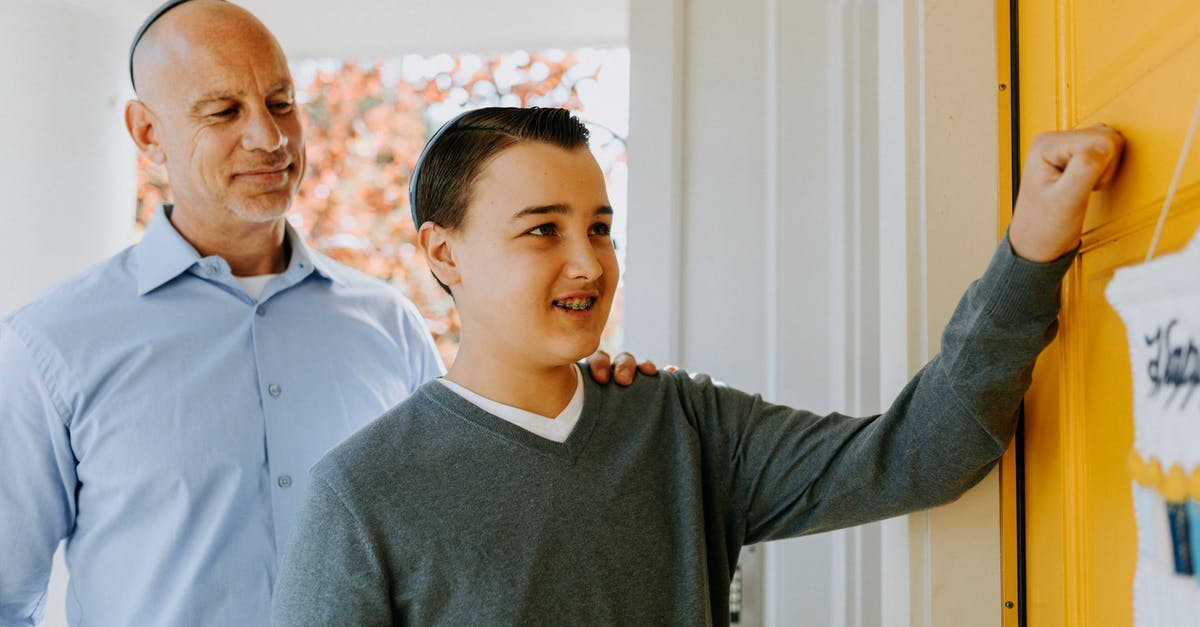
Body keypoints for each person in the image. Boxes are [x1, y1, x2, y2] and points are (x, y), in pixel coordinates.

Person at [271, 107, 1124, 625]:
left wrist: (1032, 247)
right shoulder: (362, 494)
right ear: (442, 251)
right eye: (543, 229)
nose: (588, 262)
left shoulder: (681, 424)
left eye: (600, 227)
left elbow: (922, 454)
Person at [0, 3, 646, 626]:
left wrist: (585, 404)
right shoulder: (50, 346)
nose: (270, 136)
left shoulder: (389, 325)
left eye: (281, 102)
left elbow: (467, 531)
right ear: (148, 133)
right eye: (224, 111)